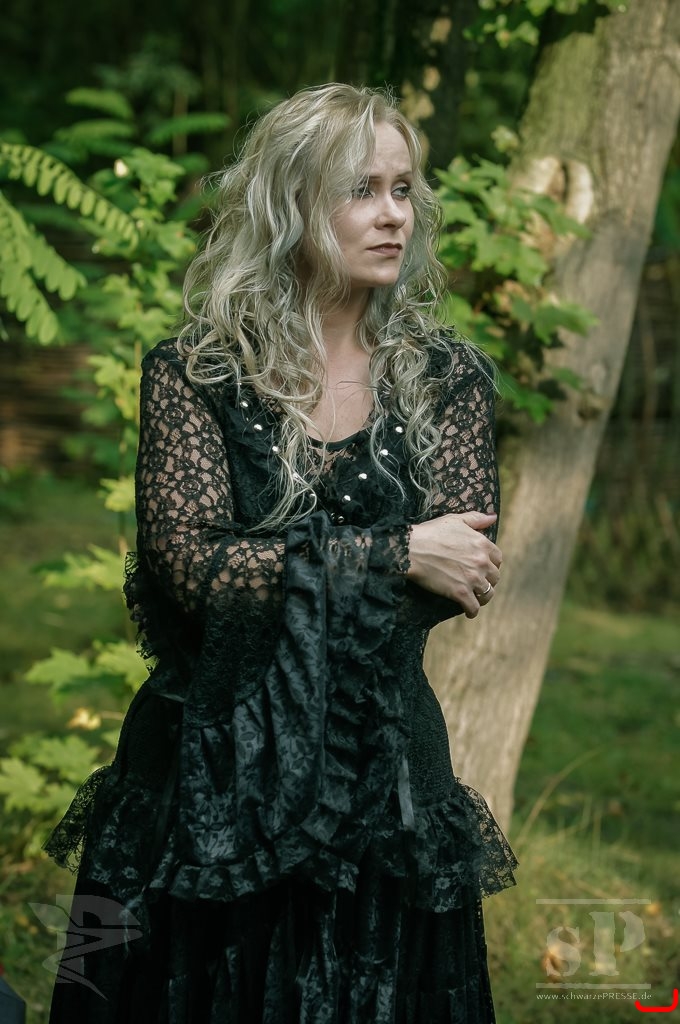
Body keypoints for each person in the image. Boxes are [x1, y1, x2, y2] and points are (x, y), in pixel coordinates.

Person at [45, 83, 517, 1023]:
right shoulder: (196, 372)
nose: (394, 213)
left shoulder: (445, 378)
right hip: (204, 771)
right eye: (361, 190)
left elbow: (460, 571)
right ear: (290, 204)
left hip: (382, 770)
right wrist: (394, 553)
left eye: (403, 188)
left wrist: (288, 568)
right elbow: (194, 570)